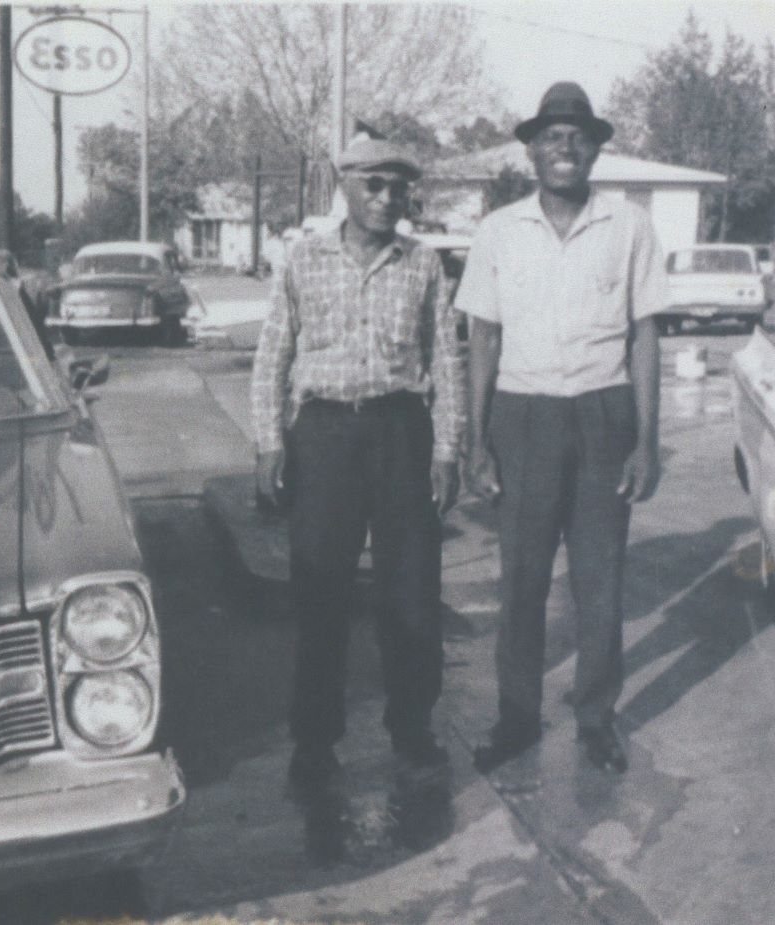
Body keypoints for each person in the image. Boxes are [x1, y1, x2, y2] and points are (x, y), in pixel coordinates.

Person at [456, 82, 667, 775]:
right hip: (524, 415)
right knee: (522, 576)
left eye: (577, 134)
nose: (565, 145)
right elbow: (482, 337)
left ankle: (596, 719)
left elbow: (643, 336)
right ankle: (516, 717)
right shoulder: (498, 230)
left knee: (599, 580)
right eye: (551, 134)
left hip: (605, 412)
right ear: (532, 149)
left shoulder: (629, 224)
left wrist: (644, 440)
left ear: (597, 146)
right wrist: (476, 439)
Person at [250, 137, 467, 790]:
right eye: (372, 184)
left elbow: (446, 362)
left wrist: (448, 448)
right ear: (342, 185)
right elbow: (273, 355)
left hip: (402, 429)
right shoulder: (301, 259)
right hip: (324, 434)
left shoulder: (423, 264)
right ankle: (316, 740)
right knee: (322, 592)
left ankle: (412, 728)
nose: (386, 198)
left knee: (412, 592)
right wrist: (269, 441)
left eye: (398, 187)